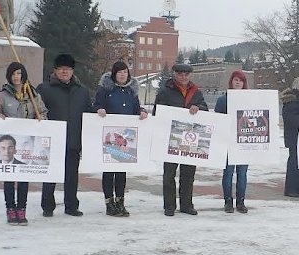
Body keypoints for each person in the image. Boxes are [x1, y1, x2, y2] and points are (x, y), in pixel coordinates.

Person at [0, 61, 48, 225]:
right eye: (14, 74)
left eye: (19, 74)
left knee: (23, 178)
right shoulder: (2, 95)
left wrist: (41, 118)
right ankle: (10, 209)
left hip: (26, 143)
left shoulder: (33, 95)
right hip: (10, 142)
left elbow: (42, 112)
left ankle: (21, 209)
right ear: (9, 76)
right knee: (9, 178)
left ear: (24, 75)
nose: (17, 77)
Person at [37, 54, 91, 217]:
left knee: (72, 175)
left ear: (72, 71)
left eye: (67, 69)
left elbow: (88, 113)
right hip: (52, 141)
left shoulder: (82, 91)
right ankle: (47, 206)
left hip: (74, 139)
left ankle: (71, 205)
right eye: (61, 69)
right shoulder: (44, 89)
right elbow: (36, 109)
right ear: (55, 71)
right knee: (50, 174)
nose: (64, 72)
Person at [94, 61, 148, 217]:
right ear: (114, 74)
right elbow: (96, 105)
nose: (123, 74)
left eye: (125, 72)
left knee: (121, 172)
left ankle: (120, 201)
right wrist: (99, 109)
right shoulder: (106, 90)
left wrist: (142, 111)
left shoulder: (131, 92)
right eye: (119, 72)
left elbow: (136, 107)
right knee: (109, 171)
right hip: (109, 138)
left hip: (125, 138)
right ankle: (109, 202)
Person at [153, 63, 208, 216]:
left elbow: (205, 108)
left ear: (190, 75)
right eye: (180, 74)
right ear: (175, 74)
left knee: (188, 174)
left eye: (186, 74)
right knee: (169, 174)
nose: (183, 77)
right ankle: (169, 206)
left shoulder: (196, 92)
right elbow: (158, 112)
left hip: (191, 140)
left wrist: (199, 108)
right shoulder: (165, 91)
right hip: (171, 138)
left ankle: (186, 205)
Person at [215, 70, 249, 213]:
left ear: (244, 83)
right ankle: (228, 201)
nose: (237, 82)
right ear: (231, 81)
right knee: (228, 173)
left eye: (240, 80)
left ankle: (240, 201)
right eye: (235, 80)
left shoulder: (250, 99)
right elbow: (217, 120)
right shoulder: (223, 100)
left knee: (242, 173)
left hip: (244, 140)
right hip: (228, 142)